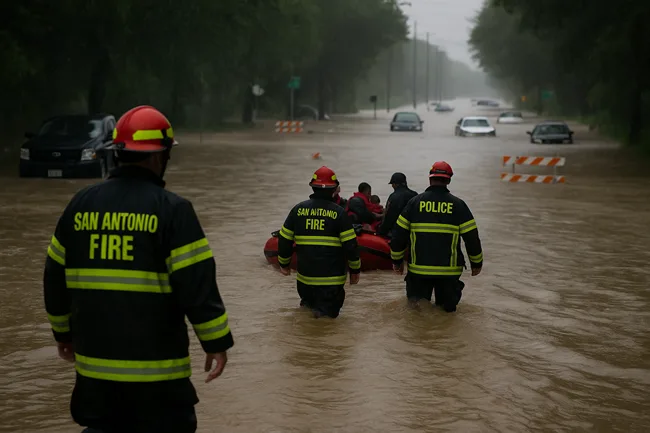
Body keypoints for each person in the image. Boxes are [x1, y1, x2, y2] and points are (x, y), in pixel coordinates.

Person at [43, 105, 234, 433]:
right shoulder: (174, 211)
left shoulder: (79, 205)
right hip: (159, 385)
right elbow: (197, 286)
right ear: (159, 157)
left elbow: (53, 280)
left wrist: (63, 334)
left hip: (95, 382)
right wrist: (216, 342)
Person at [390, 161, 483, 312]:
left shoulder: (414, 203)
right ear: (449, 180)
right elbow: (472, 237)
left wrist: (396, 260)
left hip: (419, 271)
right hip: (449, 273)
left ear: (430, 179)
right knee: (446, 315)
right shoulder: (459, 205)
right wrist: (476, 263)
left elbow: (398, 235)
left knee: (417, 314)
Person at [277, 166, 361, 318]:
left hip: (304, 281)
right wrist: (355, 271)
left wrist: (284, 264)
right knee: (325, 322)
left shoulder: (298, 210)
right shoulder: (339, 213)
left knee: (307, 315)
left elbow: (284, 239)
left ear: (313, 187)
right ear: (334, 190)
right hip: (331, 283)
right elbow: (351, 246)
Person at [376, 172, 418, 238]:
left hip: (397, 233)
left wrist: (381, 232)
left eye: (392, 184)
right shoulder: (415, 195)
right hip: (412, 232)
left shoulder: (393, 197)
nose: (392, 186)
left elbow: (388, 216)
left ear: (395, 184)